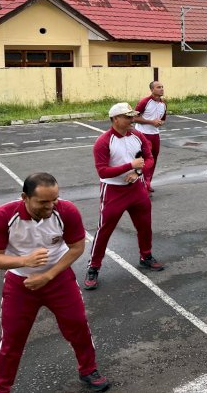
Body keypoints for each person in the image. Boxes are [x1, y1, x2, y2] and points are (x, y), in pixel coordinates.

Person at [0, 173, 110, 392]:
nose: (51, 206)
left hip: (58, 279)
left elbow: (76, 246)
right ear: (24, 197)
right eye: (43, 202)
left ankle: (88, 369)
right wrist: (24, 261)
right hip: (21, 284)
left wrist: (48, 275)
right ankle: (1, 387)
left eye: (54, 199)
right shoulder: (3, 216)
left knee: (78, 325)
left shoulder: (66, 211)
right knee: (12, 340)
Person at [85, 102, 162, 291]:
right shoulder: (103, 142)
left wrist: (137, 172)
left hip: (137, 189)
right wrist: (130, 165)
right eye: (128, 117)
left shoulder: (137, 135)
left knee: (144, 225)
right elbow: (103, 172)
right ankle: (93, 267)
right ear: (115, 119)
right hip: (113, 191)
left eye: (132, 116)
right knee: (104, 230)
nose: (132, 120)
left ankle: (146, 256)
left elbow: (149, 158)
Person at [133, 80, 167, 193]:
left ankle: (148, 182)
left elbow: (162, 120)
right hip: (143, 134)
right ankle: (141, 184)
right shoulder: (144, 102)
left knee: (153, 159)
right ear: (152, 90)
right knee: (144, 160)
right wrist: (151, 122)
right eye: (158, 87)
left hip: (155, 135)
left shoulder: (163, 104)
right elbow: (134, 118)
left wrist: (160, 123)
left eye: (162, 87)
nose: (161, 89)